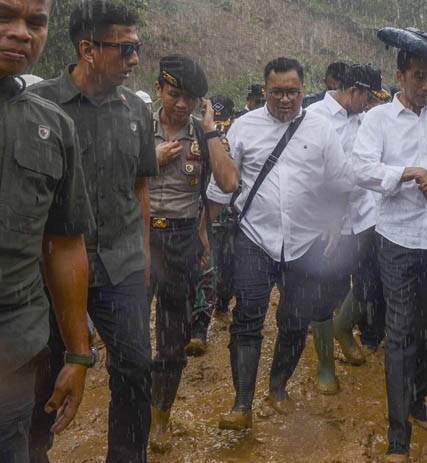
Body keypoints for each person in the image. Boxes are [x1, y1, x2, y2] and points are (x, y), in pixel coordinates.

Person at [28, 2, 158, 460]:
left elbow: (139, 186)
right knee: (42, 376)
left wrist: (144, 256)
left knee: (135, 368)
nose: (135, 60)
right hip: (52, 269)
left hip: (122, 263)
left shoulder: (136, 111)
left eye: (137, 48)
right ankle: (32, 450)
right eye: (125, 49)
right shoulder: (39, 107)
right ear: (87, 49)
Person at [208, 57, 352, 430]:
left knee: (295, 320)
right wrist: (203, 237)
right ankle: (242, 404)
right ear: (264, 91)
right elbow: (221, 187)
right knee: (247, 316)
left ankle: (277, 386)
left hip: (306, 242)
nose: (285, 99)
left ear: (304, 90)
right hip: (255, 237)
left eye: (292, 92)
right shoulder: (244, 127)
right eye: (277, 92)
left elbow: (339, 181)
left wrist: (335, 220)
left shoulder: (321, 129)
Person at [351, 49, 427, 462]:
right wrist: (408, 172)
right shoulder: (378, 119)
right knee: (401, 332)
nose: (426, 86)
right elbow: (361, 169)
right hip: (398, 239)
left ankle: (419, 397)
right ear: (400, 75)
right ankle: (397, 434)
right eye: (418, 76)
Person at [0, 1, 93, 461]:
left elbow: (65, 244)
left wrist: (77, 355)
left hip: (12, 359)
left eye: (35, 22)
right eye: (3, 16)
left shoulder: (51, 127)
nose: (21, 33)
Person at [146, 55, 239, 452]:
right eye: (174, 94)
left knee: (173, 339)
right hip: (138, 238)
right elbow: (108, 178)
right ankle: (132, 408)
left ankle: (160, 416)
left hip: (182, 240)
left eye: (190, 98)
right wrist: (149, 160)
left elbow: (229, 182)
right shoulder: (136, 126)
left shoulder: (204, 134)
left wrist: (211, 130)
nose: (181, 104)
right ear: (158, 89)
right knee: (129, 336)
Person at [304, 63, 383, 386]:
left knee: (372, 278)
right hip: (325, 220)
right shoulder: (313, 118)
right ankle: (325, 366)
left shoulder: (365, 119)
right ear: (353, 91)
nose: (369, 105)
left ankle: (343, 327)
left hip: (364, 214)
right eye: (367, 98)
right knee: (322, 290)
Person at [187, 93, 237, 356]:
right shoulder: (196, 134)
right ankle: (197, 327)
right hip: (203, 215)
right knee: (204, 270)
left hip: (230, 218)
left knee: (224, 272)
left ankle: (220, 305)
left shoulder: (234, 137)